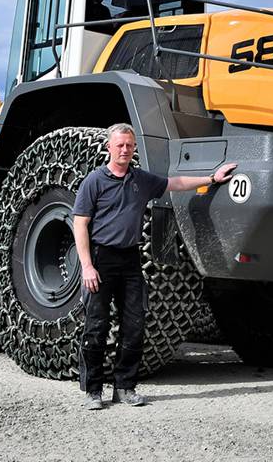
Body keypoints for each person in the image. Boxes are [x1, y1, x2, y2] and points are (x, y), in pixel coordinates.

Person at [73, 123, 237, 409]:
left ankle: (125, 387)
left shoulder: (142, 180)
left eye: (129, 145)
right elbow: (80, 224)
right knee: (97, 327)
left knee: (134, 325)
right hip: (101, 259)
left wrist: (212, 178)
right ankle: (93, 391)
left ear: (134, 148)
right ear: (109, 147)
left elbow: (175, 183)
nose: (125, 150)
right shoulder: (94, 182)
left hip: (130, 259)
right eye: (120, 145)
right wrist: (87, 266)